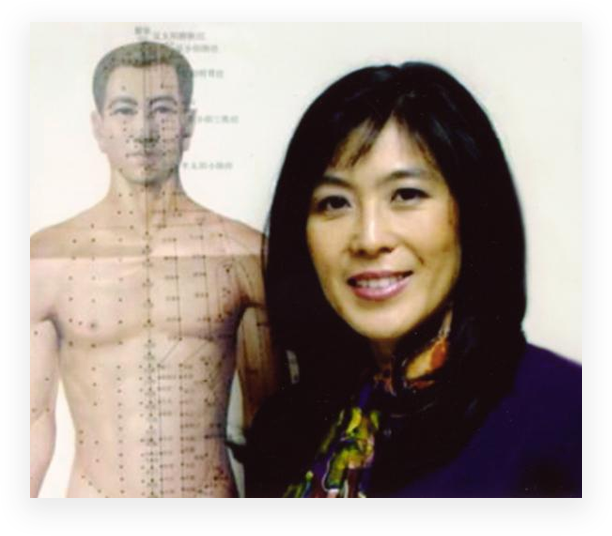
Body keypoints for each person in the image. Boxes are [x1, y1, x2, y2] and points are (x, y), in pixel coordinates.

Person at [246, 62, 581, 498]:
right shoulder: (284, 428)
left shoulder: (569, 412)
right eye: (333, 202)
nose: (369, 238)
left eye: (406, 195)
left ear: (472, 213)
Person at [29, 41, 278, 498]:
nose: (144, 131)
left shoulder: (244, 256)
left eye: (162, 110)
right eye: (124, 110)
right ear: (98, 127)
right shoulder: (44, 260)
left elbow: (269, 424)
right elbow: (29, 421)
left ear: (189, 124)